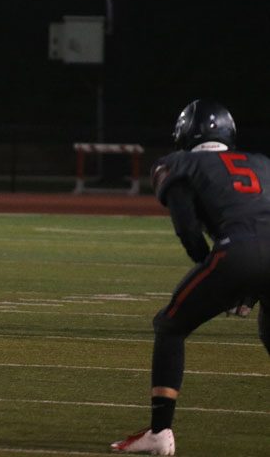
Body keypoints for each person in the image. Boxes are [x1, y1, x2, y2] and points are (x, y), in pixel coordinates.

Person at [111, 99, 270, 455]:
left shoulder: (180, 164)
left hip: (239, 252)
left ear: (185, 132)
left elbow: (187, 228)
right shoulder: (261, 162)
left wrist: (217, 270)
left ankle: (160, 432)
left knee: (170, 325)